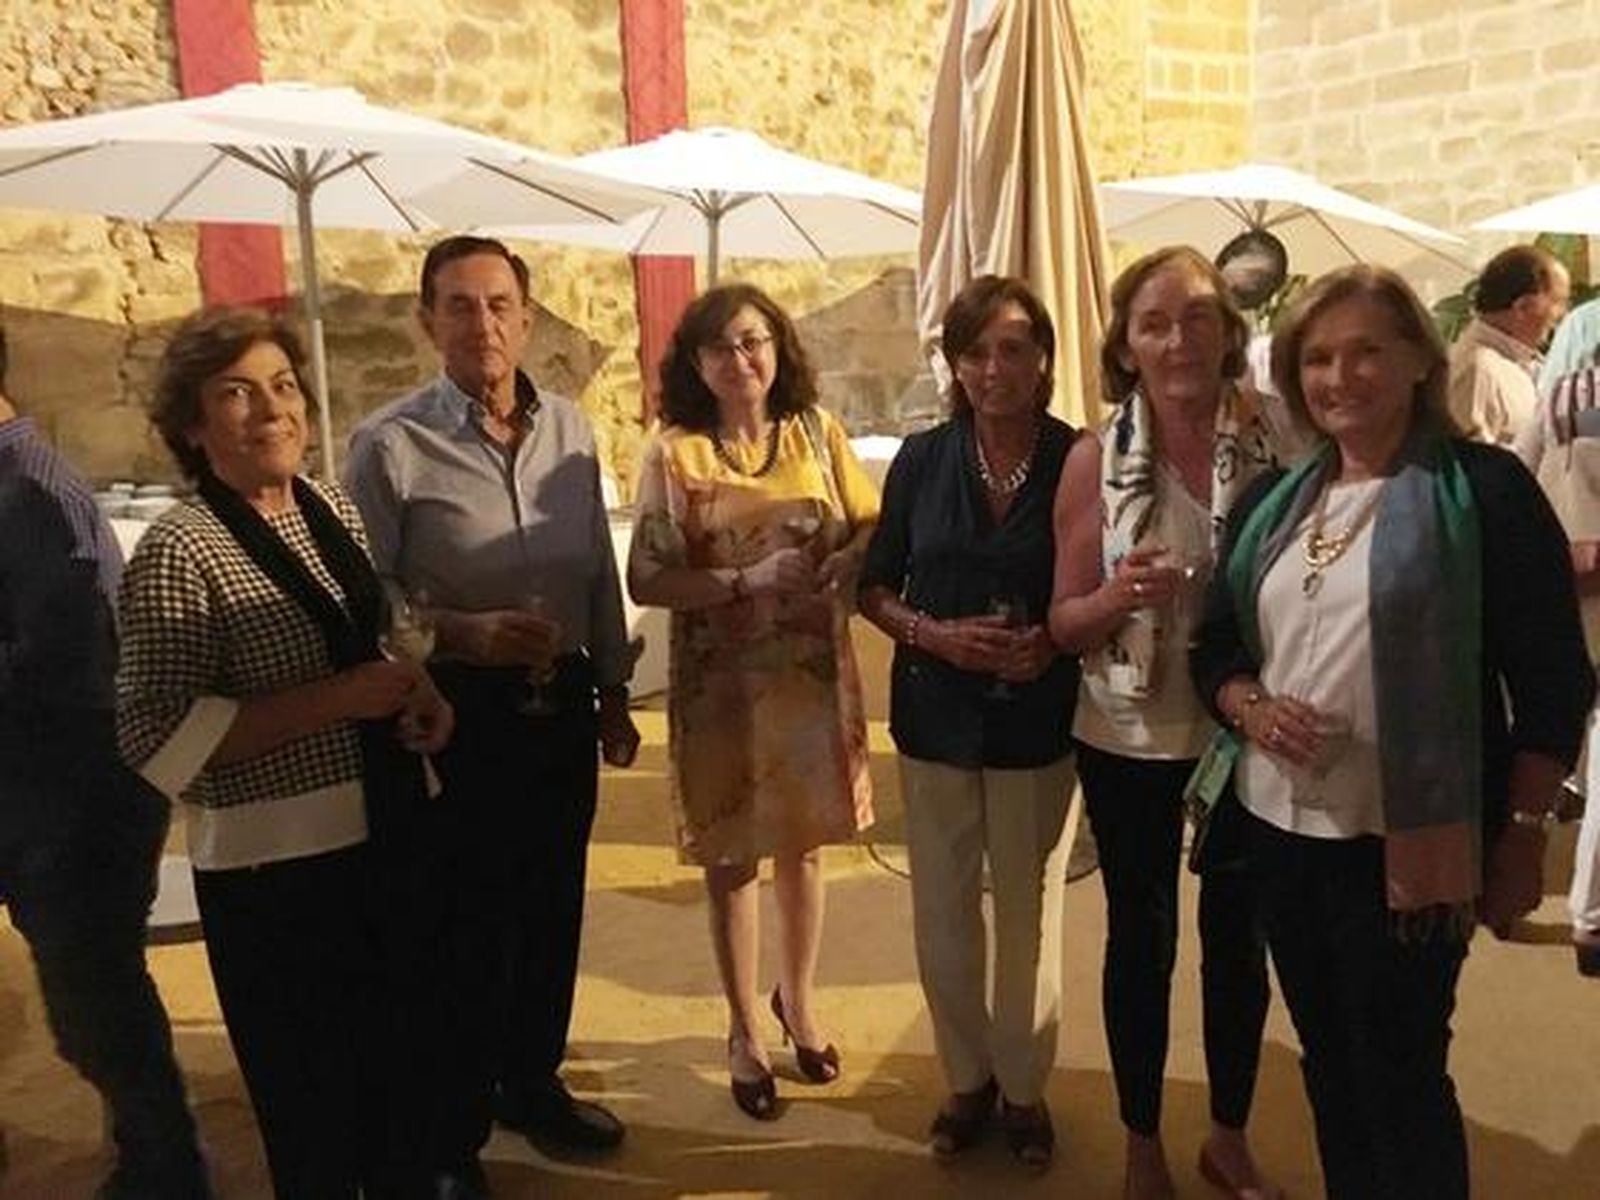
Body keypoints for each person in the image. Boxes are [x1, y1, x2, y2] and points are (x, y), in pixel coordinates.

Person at [1191, 264, 1593, 1199]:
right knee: (1329, 1062)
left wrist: (1526, 835)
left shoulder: (1484, 493)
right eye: (1319, 358)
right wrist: (1252, 705)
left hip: (1412, 847)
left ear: (1418, 356)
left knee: (1402, 1072)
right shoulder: (1274, 505)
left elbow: (1552, 680)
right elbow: (1214, 650)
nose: (1341, 376)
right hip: (1283, 837)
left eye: (1367, 349)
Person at [116, 307, 453, 1198]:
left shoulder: (328, 504)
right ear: (193, 427)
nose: (270, 409)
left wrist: (421, 698)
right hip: (278, 879)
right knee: (314, 1110)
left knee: (397, 1086)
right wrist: (336, 702)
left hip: (382, 841)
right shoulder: (180, 548)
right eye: (236, 393)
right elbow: (152, 735)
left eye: (282, 386)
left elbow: (368, 645)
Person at [345, 235, 640, 1196]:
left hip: (560, 703)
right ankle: (450, 1134)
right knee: (464, 923)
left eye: (501, 304)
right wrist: (464, 632)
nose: (484, 324)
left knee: (552, 906)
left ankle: (531, 1081)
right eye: (461, 305)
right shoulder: (388, 446)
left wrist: (613, 693)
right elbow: (366, 595)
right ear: (428, 319)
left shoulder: (571, 429)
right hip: (457, 713)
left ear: (526, 314)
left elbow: (597, 565)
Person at [1049, 246, 1291, 1200]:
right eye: (1154, 322)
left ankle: (1227, 1138)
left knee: (1241, 939)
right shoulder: (1088, 461)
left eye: (1197, 317)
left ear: (1229, 332)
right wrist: (1114, 597)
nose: (1178, 338)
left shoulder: (1282, 441)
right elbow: (1061, 623)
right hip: (1129, 735)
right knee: (1141, 939)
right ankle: (1142, 1144)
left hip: (1245, 732)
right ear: (1126, 344)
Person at [627, 282, 878, 1122]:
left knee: (804, 851)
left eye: (754, 341)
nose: (741, 360)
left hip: (806, 679)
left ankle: (797, 1002)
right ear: (695, 364)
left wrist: (848, 563)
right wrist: (742, 579)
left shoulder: (818, 432)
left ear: (779, 348)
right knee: (732, 859)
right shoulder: (674, 454)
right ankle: (742, 1030)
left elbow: (874, 524)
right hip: (722, 688)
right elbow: (647, 576)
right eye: (720, 347)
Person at [858, 275, 1077, 1169]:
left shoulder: (1079, 458)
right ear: (954, 363)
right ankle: (966, 1080)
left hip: (1037, 718)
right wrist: (933, 634)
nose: (995, 367)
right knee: (943, 908)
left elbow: (1094, 586)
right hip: (936, 716)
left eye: (1014, 347)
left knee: (1030, 912)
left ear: (1043, 360)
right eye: (976, 350)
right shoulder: (919, 462)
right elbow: (872, 586)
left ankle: (1024, 1090)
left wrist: (1054, 648)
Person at [0, 331, 211, 1200]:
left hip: (73, 797)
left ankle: (165, 1166)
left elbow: (71, 664)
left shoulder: (35, 493)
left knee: (95, 1008)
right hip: (33, 789)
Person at [1447, 243, 1569, 446]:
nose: (1563, 314)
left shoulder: (1522, 364)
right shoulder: (1477, 370)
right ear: (1523, 306)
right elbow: (1467, 467)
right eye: (1558, 302)